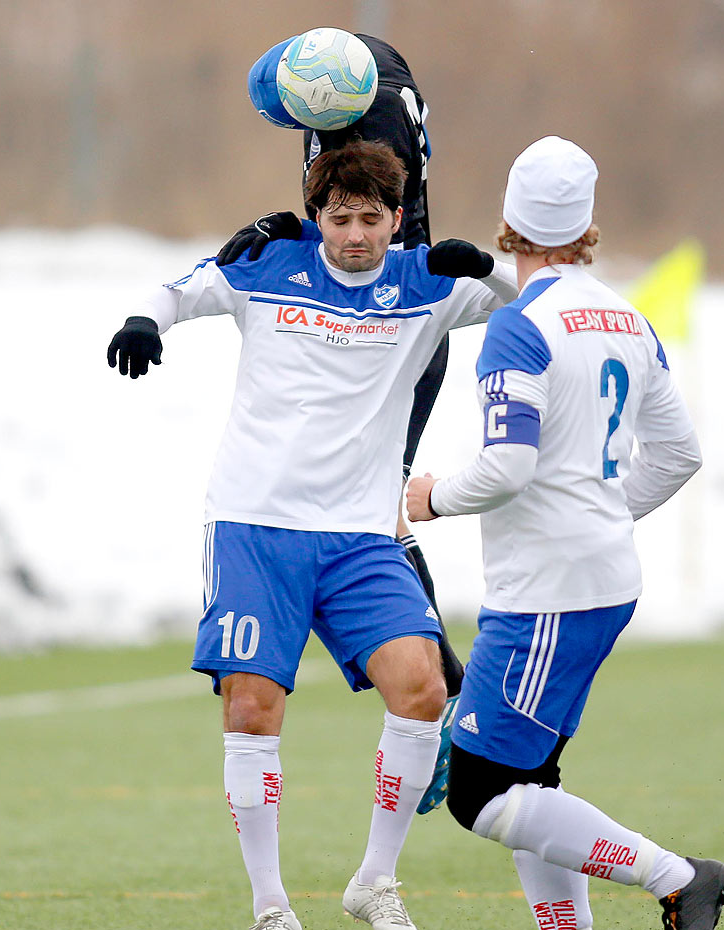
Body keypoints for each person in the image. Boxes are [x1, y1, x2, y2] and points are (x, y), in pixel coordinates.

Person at [108, 139, 518, 930]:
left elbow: (534, 311)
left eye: (372, 218)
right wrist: (147, 319)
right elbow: (184, 287)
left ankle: (376, 877)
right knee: (252, 710)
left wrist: (489, 267)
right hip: (255, 529)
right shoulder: (270, 262)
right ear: (316, 214)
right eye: (339, 217)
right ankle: (270, 910)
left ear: (396, 219)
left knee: (423, 689)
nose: (356, 235)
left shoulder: (426, 282)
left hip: (362, 536)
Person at [405, 136, 724, 930]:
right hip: (596, 579)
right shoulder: (629, 317)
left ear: (509, 223)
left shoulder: (520, 326)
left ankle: (676, 877)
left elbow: (507, 467)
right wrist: (598, 512)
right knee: (530, 782)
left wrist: (426, 496)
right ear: (588, 227)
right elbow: (680, 454)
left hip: (551, 593)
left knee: (480, 793)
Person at [222, 31, 462, 815]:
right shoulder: (355, 80)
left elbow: (360, 226)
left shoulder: (369, 119)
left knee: (381, 509)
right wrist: (283, 226)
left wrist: (292, 232)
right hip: (375, 325)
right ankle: (447, 698)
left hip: (395, 329)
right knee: (378, 509)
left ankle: (452, 712)